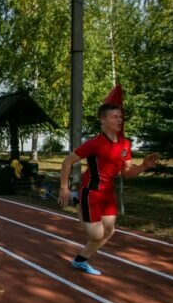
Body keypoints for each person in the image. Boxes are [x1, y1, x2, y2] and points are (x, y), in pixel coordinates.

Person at [58, 103, 159, 275]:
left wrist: (144, 166)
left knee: (109, 230)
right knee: (96, 236)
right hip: (91, 191)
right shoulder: (95, 143)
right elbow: (67, 161)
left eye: (120, 117)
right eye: (115, 117)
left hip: (107, 193)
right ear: (103, 121)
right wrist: (63, 187)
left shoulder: (125, 144)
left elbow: (126, 173)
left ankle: (81, 260)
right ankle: (77, 201)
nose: (119, 120)